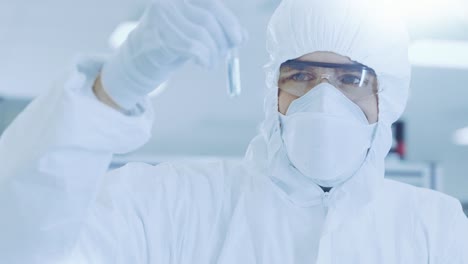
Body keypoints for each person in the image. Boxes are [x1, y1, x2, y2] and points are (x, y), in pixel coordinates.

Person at [0, 0, 467, 263]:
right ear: (271, 90)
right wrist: (115, 88)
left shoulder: (435, 229)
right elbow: (24, 243)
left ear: (388, 99)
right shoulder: (172, 205)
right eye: (300, 76)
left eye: (352, 80)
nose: (324, 102)